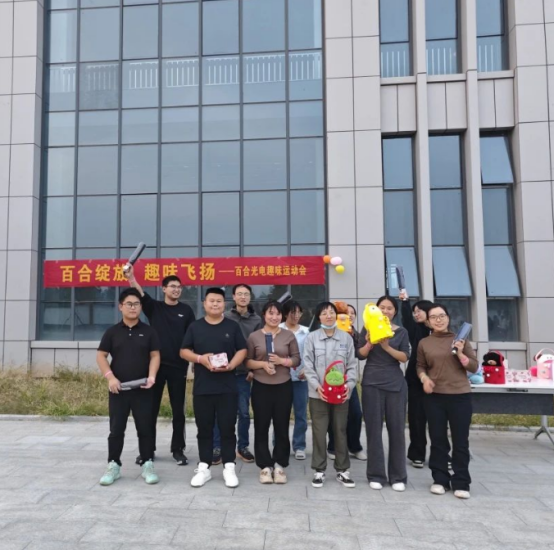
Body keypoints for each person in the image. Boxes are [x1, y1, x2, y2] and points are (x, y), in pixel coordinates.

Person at [126, 266, 195, 466]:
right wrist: (131, 277)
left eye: (179, 287)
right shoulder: (154, 308)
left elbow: (192, 337)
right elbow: (139, 292)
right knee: (150, 410)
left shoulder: (186, 311)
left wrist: (193, 361)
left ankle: (178, 449)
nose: (176, 289)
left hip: (178, 367)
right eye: (172, 286)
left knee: (178, 411)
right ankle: (147, 451)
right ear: (163, 288)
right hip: (155, 368)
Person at [180, 288, 247, 489]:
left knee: (227, 427)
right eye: (211, 301)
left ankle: (229, 466)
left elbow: (242, 349)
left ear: (224, 304)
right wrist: (200, 359)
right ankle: (204, 467)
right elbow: (183, 351)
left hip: (227, 387)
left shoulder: (232, 326)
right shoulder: (195, 326)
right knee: (204, 428)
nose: (215, 304)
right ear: (204, 303)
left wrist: (232, 365)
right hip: (203, 387)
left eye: (219, 301)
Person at [97, 289, 161, 486]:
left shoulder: (149, 331)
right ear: (120, 306)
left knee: (145, 428)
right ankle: (113, 465)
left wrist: (152, 376)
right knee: (116, 429)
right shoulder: (112, 332)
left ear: (141, 307)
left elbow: (155, 356)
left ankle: (147, 463)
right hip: (119, 389)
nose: (133, 307)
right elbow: (101, 356)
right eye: (129, 304)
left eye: (137, 304)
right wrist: (110, 377)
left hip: (143, 389)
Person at [417, 304, 479, 500]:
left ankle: (461, 482)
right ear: (428, 322)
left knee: (460, 441)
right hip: (434, 398)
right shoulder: (424, 343)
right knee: (438, 440)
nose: (439, 320)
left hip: (460, 396)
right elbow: (420, 366)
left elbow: (474, 367)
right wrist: (424, 379)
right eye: (434, 317)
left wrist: (460, 353)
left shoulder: (460, 340)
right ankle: (440, 479)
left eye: (442, 315)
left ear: (448, 318)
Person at [357, 296, 410, 492]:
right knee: (373, 430)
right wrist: (369, 344)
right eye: (382, 307)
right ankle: (376, 475)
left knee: (397, 431)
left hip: (395, 384)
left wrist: (387, 346)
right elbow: (360, 354)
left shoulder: (401, 332)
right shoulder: (367, 328)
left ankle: (398, 476)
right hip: (372, 382)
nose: (385, 311)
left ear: (395, 311)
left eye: (389, 308)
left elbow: (404, 357)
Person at [303, 302, 358, 489]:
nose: (328, 316)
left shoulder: (346, 338)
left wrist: (349, 385)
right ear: (318, 317)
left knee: (340, 430)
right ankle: (319, 470)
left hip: (341, 394)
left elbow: (352, 365)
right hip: (318, 394)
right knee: (319, 431)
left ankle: (343, 470)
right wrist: (316, 386)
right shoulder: (312, 338)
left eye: (331, 312)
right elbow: (307, 365)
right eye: (324, 313)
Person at [247, 301, 300, 484]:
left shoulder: (288, 335)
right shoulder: (254, 336)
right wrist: (263, 364)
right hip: (261, 386)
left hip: (283, 385)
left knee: (281, 426)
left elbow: (296, 359)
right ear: (264, 315)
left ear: (282, 316)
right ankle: (264, 466)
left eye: (278, 314)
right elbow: (247, 361)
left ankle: (279, 464)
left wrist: (281, 361)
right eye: (271, 313)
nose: (274, 317)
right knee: (261, 426)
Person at [213, 284, 262, 466]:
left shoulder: (256, 320)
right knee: (220, 412)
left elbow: (259, 347)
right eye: (239, 294)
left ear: (250, 297)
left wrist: (253, 370)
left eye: (246, 294)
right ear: (233, 296)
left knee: (244, 412)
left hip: (244, 373)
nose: (243, 297)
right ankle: (217, 447)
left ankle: (243, 446)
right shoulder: (225, 316)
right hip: (223, 372)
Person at [328, 304, 367, 462]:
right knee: (334, 414)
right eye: (346, 312)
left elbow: (359, 354)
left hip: (348, 379)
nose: (350, 315)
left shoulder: (354, 334)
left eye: (353, 313)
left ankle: (354, 446)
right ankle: (332, 446)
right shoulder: (329, 331)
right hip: (330, 377)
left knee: (356, 413)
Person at [399, 292, 434, 469]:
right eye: (415, 311)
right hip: (415, 379)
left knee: (438, 420)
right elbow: (406, 320)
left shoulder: (440, 330)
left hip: (438, 380)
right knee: (416, 418)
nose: (416, 314)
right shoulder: (416, 329)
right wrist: (405, 302)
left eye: (419, 311)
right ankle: (417, 454)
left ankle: (441, 454)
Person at [279, 300, 310, 461]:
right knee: (280, 414)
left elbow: (310, 354)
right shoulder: (278, 330)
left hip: (300, 379)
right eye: (293, 312)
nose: (296, 315)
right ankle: (279, 445)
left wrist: (307, 369)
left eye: (299, 312)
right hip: (280, 379)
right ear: (285, 314)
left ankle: (299, 446)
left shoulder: (306, 332)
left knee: (301, 414)